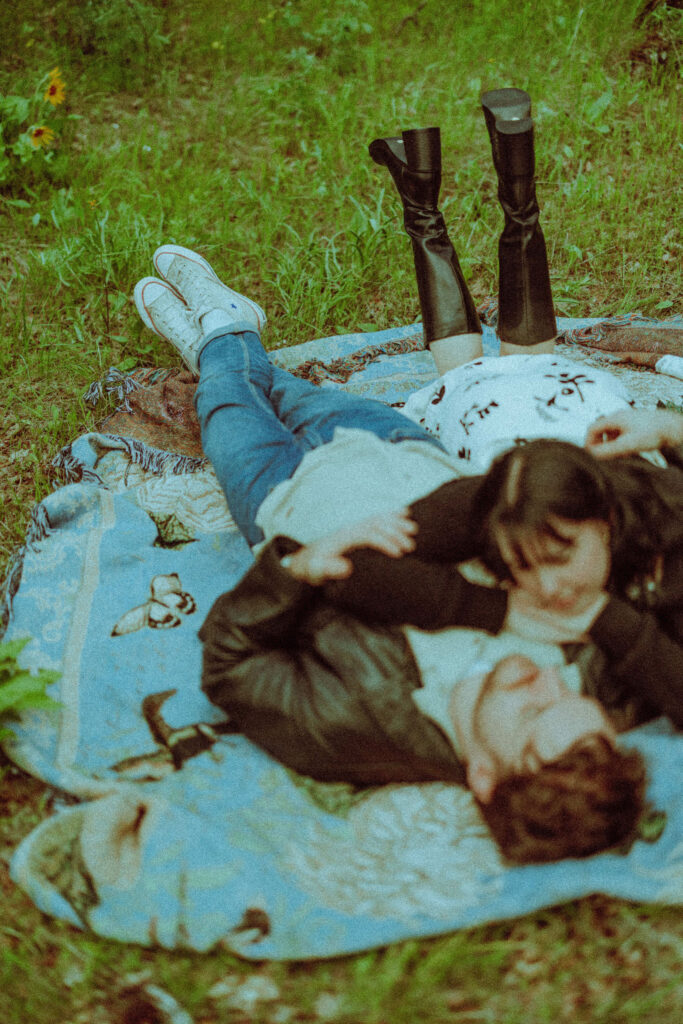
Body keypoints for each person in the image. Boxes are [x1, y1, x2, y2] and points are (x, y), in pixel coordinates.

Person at [132, 242, 649, 865]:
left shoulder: (351, 731)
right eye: (571, 699)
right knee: (293, 396)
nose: (546, 680)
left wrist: (297, 571)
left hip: (282, 498)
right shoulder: (603, 680)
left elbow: (229, 666)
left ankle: (226, 335)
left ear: (483, 776)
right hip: (398, 449)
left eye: (535, 709)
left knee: (227, 405)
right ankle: (227, 339)